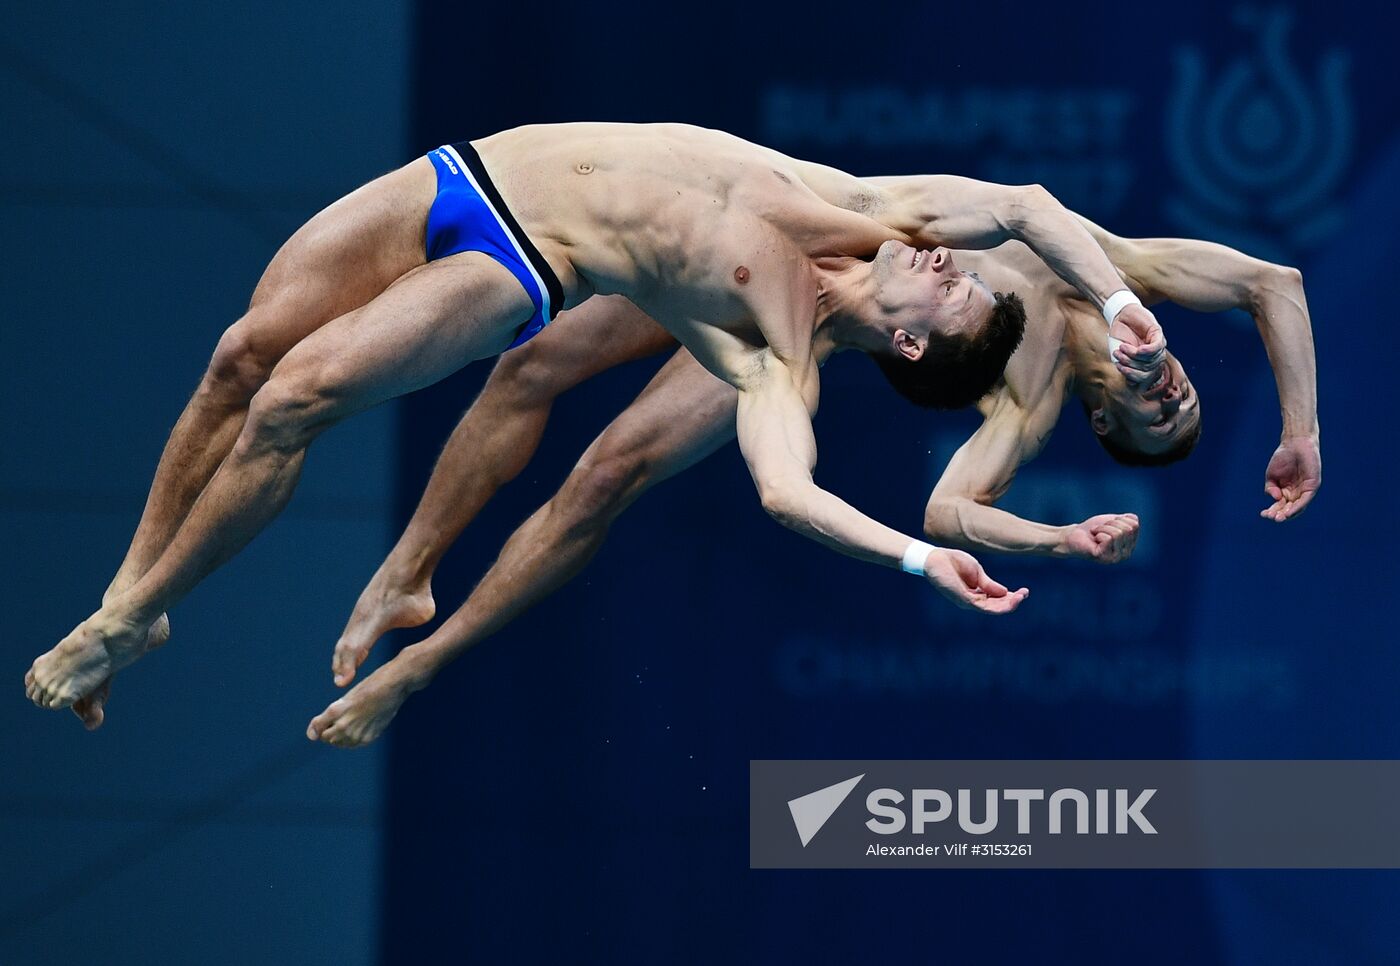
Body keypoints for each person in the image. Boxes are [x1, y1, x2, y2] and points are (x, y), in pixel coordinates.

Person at [26, 122, 1166, 715]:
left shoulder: (770, 359)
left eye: (952, 283)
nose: (944, 259)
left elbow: (786, 492)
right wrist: (1120, 306)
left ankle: (135, 618)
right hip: (469, 168)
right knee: (238, 358)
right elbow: (1022, 205)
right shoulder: (872, 207)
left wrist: (924, 561)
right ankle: (132, 597)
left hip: (518, 260)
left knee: (294, 401)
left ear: (910, 341)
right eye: (962, 266)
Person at [299, 224, 1314, 748]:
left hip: (789, 330)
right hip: (768, 247)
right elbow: (1275, 284)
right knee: (527, 363)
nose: (1173, 395)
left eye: (1158, 418)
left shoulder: (1033, 400)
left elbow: (947, 511)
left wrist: (1053, 540)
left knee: (607, 471)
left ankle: (424, 664)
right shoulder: (1113, 270)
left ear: (1107, 424)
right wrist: (1299, 430)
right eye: (1186, 404)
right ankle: (409, 568)